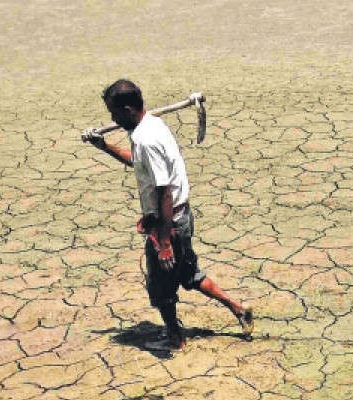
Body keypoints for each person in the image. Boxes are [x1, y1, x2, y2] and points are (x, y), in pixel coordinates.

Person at [87, 79, 252, 351]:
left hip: (168, 222)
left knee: (160, 287)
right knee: (188, 275)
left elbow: (163, 190)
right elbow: (137, 162)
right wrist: (104, 147)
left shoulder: (146, 138)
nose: (111, 118)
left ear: (127, 110)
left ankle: (176, 340)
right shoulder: (151, 124)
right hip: (180, 216)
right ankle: (238, 308)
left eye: (113, 113)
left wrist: (163, 242)